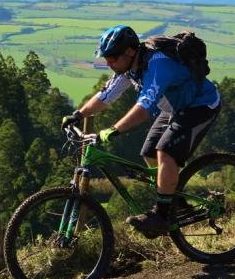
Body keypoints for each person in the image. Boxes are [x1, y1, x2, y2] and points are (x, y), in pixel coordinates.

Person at [62, 25, 221, 238]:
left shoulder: (158, 66)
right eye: (106, 58)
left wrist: (113, 130)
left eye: (112, 57)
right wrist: (78, 115)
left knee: (165, 151)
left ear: (129, 52)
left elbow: (144, 109)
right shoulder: (129, 66)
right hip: (174, 107)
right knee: (148, 153)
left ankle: (162, 216)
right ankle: (177, 202)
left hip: (200, 105)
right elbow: (105, 96)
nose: (108, 63)